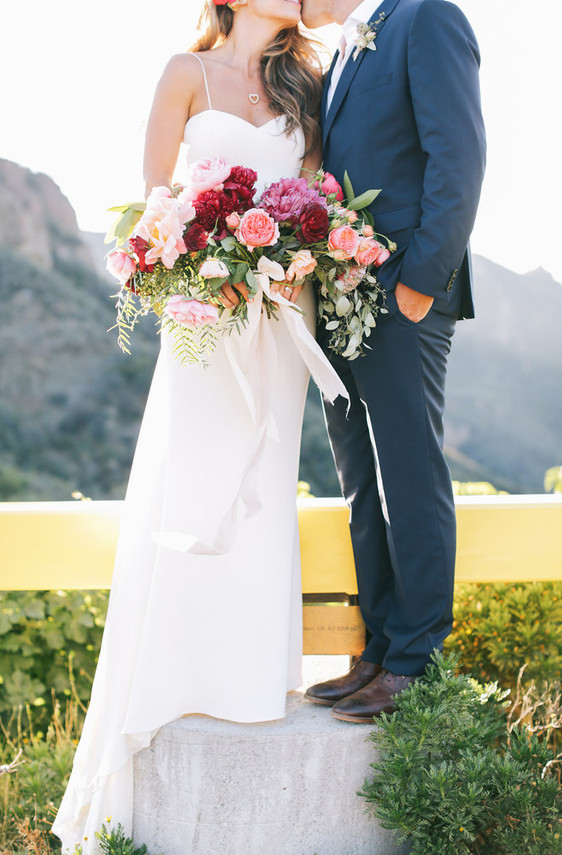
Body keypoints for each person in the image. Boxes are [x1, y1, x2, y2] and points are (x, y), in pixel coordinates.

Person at [53, 1, 346, 850]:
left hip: (280, 316)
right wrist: (205, 261)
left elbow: (317, 199)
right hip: (203, 317)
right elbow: (153, 207)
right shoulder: (184, 73)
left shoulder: (306, 85)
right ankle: (176, 671)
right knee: (196, 469)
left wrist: (288, 262)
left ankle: (249, 673)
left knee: (263, 477)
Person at [301, 0, 486, 722]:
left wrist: (421, 281)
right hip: (341, 296)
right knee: (361, 482)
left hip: (405, 293)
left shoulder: (426, 16)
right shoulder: (339, 55)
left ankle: (415, 661)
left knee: (409, 474)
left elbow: (459, 157)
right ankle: (378, 649)